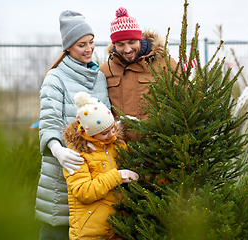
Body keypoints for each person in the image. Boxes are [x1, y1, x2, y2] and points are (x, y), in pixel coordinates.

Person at [35, 10, 111, 240]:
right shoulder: (55, 79)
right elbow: (49, 123)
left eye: (91, 42)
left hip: (95, 172)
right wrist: (58, 151)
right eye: (81, 45)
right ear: (68, 47)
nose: (89, 49)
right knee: (58, 230)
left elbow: (107, 121)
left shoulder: (99, 77)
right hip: (64, 168)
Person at [63, 91, 139, 240]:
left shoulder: (117, 145)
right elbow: (83, 192)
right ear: (90, 132)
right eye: (105, 133)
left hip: (118, 228)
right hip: (90, 232)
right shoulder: (77, 154)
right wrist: (117, 176)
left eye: (112, 128)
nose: (111, 134)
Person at [100, 7, 178, 141]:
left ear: (140, 39)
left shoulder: (166, 64)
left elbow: (182, 103)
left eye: (132, 42)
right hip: (119, 150)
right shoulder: (105, 70)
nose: (127, 49)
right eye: (121, 44)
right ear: (114, 45)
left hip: (157, 149)